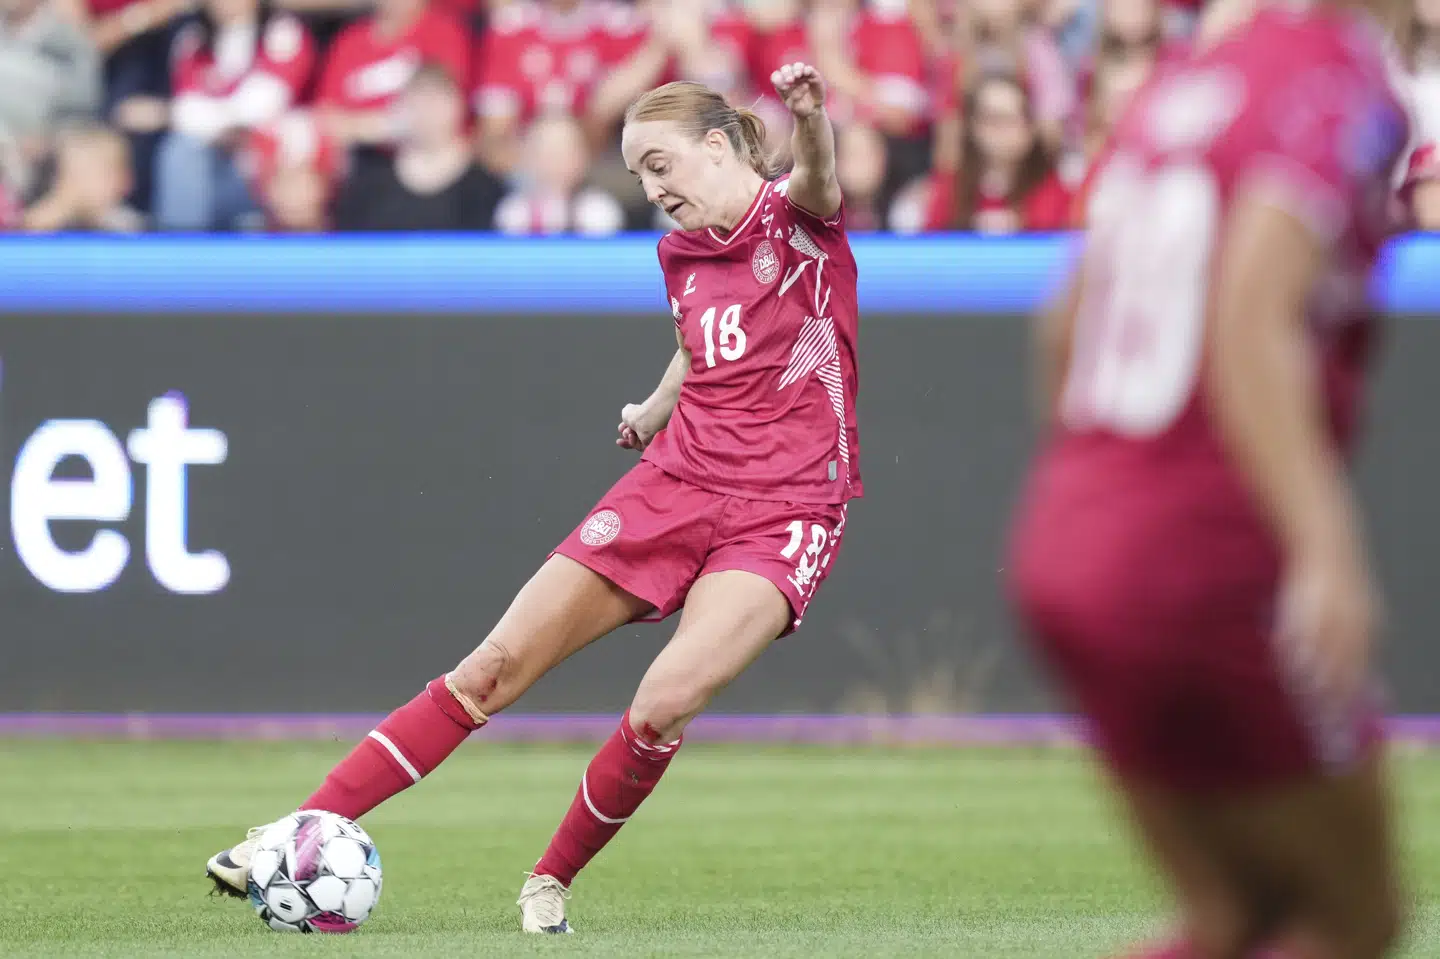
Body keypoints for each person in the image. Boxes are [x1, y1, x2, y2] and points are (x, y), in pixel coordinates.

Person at [206, 64, 862, 935]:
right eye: (637, 176)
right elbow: (698, 344)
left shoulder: (798, 216)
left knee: (664, 701)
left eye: (659, 164)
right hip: (676, 482)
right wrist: (654, 408)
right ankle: (290, 834)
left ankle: (549, 877)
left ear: (715, 147)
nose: (652, 188)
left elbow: (817, 174)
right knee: (489, 668)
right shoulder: (679, 256)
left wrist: (810, 116)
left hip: (786, 507)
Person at [1007, 0, 1410, 956]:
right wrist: (1325, 550)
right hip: (1199, 565)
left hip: (1069, 540)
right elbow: (1249, 315)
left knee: (1234, 917)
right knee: (1356, 917)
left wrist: (1099, 501)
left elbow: (1063, 326)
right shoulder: (1334, 82)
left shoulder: (1183, 85)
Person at [155, 0, 314, 231]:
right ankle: (181, 247)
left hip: (268, 156)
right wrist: (221, 124)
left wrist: (206, 117)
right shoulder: (192, 39)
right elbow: (186, 109)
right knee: (180, 150)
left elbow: (263, 105)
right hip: (209, 153)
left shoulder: (283, 32)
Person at [333, 62, 503, 231]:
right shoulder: (368, 185)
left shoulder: (484, 188)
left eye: (436, 99)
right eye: (418, 99)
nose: (427, 111)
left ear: (458, 105)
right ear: (400, 107)